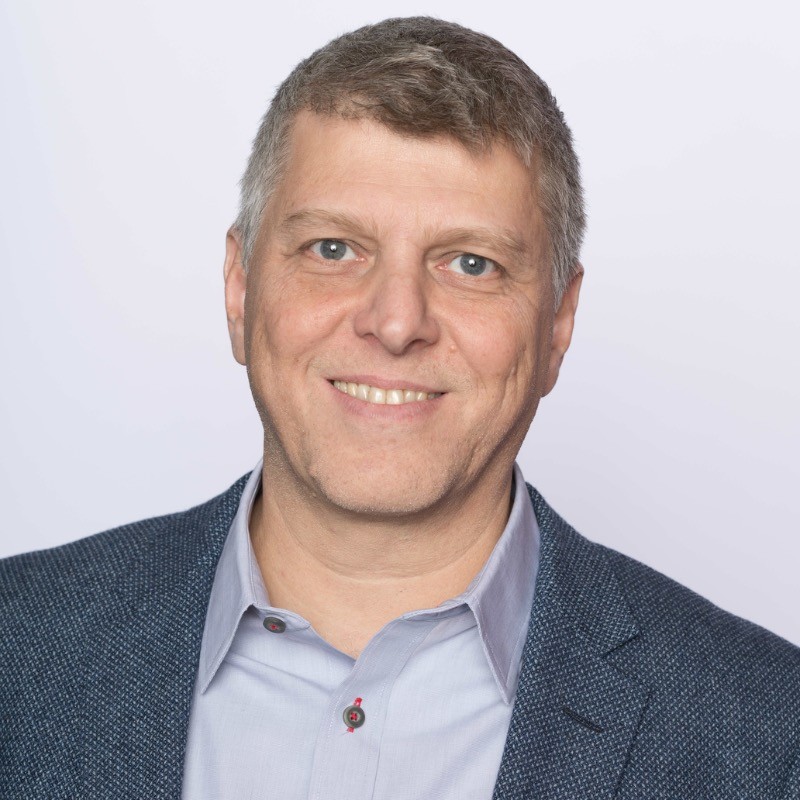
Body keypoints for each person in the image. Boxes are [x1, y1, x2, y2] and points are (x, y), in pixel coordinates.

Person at [1, 15, 798, 799]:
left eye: (471, 263)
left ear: (559, 322)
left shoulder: (767, 737)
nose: (395, 323)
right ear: (239, 289)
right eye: (334, 249)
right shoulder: (20, 646)